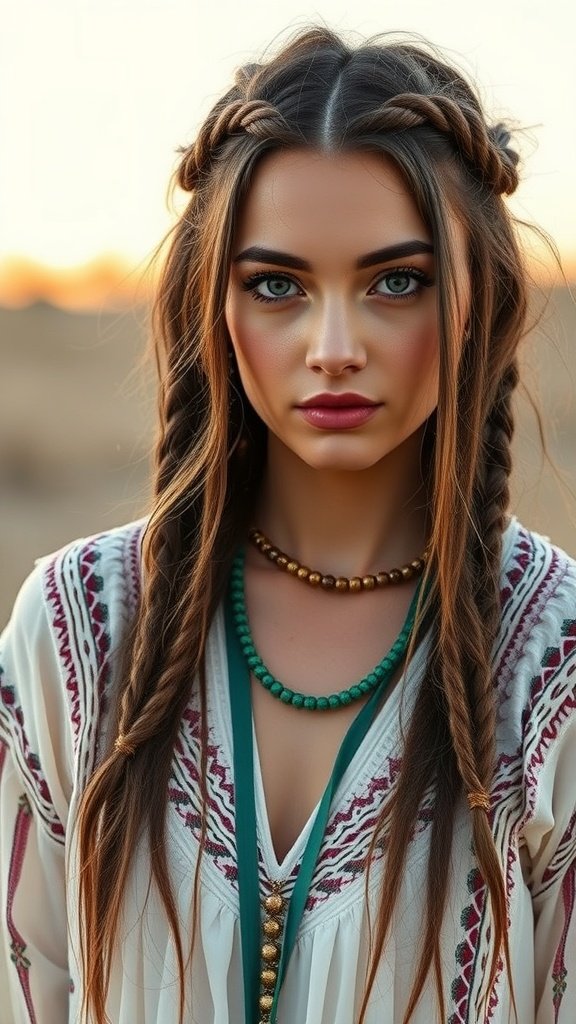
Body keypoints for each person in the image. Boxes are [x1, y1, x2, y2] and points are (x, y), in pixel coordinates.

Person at [1, 24, 575, 1024]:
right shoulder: (75, 632)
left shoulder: (555, 660)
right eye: (278, 286)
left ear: (480, 298)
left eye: (398, 281)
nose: (335, 346)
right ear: (210, 305)